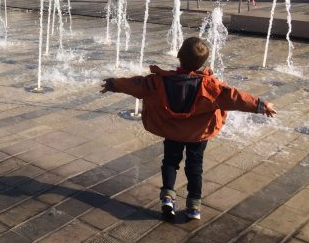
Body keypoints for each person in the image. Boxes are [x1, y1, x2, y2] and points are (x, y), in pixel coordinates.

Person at [100, 37, 276, 221]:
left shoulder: (159, 82)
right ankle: (194, 206)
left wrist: (113, 84)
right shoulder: (211, 87)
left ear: (178, 55)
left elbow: (136, 85)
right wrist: (261, 105)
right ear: (203, 62)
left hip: (173, 132)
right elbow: (235, 97)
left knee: (170, 162)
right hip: (198, 135)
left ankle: (167, 197)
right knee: (195, 167)